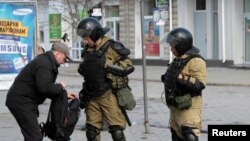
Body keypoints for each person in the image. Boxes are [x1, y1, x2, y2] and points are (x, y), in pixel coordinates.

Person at [76, 17, 134, 141]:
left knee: (117, 132)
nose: (85, 41)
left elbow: (128, 67)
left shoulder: (112, 47)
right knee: (91, 132)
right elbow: (83, 69)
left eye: (86, 38)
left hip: (108, 94)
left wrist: (107, 66)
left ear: (95, 34)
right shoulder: (88, 49)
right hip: (91, 96)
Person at [5, 42, 77, 141]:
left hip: (25, 101)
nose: (64, 62)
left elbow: (44, 87)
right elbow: (44, 88)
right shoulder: (44, 63)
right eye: (65, 58)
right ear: (58, 54)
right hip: (21, 102)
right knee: (35, 137)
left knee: (31, 135)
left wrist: (64, 95)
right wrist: (60, 86)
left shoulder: (47, 61)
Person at [161, 27, 207, 141]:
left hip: (189, 109)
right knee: (176, 136)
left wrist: (179, 78)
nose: (171, 49)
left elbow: (199, 84)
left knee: (189, 135)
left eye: (173, 46)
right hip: (175, 108)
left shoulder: (196, 61)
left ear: (181, 45)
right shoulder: (177, 60)